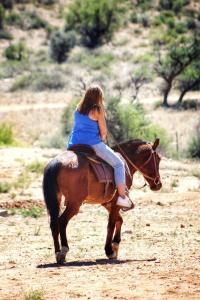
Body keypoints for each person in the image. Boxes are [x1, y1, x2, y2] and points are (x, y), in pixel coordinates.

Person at [68, 84, 133, 210]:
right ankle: (123, 198)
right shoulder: (97, 109)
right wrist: (102, 138)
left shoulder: (79, 108)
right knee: (119, 164)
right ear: (98, 97)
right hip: (92, 144)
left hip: (74, 144)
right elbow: (103, 131)